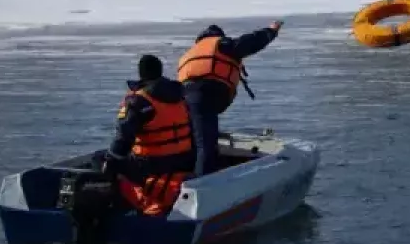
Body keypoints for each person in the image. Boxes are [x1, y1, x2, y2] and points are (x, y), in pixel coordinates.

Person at [177, 20, 283, 175]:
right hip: (205, 94)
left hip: (184, 99)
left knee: (194, 139)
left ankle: (188, 174)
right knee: (206, 145)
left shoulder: (191, 53)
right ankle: (201, 184)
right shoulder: (221, 44)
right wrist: (271, 31)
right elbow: (251, 42)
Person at [101, 54, 197, 217]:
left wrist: (110, 161)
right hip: (183, 161)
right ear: (160, 71)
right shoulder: (181, 96)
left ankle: (128, 204)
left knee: (100, 160)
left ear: (141, 74)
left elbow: (122, 140)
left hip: (151, 165)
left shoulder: (139, 101)